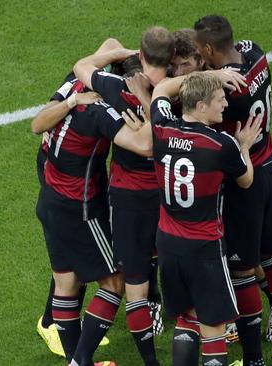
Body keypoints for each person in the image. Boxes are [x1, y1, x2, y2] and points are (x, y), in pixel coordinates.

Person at [195, 14, 272, 366]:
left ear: (210, 48)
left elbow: (202, 114)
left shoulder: (229, 92)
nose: (200, 58)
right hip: (270, 166)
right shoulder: (255, 53)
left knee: (242, 269)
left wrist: (202, 76)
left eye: (201, 52)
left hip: (245, 181)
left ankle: (253, 359)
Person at [73, 28, 176, 366]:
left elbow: (81, 67)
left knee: (132, 286)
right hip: (171, 193)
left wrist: (116, 53)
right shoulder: (177, 88)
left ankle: (151, 363)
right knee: (177, 264)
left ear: (142, 56)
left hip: (130, 199)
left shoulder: (118, 87)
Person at [36, 76, 153, 365]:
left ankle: (76, 362)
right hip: (81, 210)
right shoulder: (99, 114)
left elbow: (36, 124)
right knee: (114, 282)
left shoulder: (73, 86)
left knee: (66, 283)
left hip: (50, 200)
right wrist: (149, 106)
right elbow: (145, 145)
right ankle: (80, 361)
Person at [150, 71, 261, 366]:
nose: (224, 103)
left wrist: (207, 75)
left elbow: (161, 88)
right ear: (201, 106)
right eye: (218, 99)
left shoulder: (161, 128)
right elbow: (246, 179)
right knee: (214, 327)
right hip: (204, 249)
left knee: (187, 318)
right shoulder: (220, 145)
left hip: (168, 243)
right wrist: (245, 146)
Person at [31, 71, 106, 358]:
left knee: (71, 261)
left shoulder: (87, 77)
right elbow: (37, 124)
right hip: (63, 177)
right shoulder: (83, 85)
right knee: (79, 257)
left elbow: (108, 46)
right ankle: (51, 322)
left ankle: (60, 322)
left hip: (71, 175)